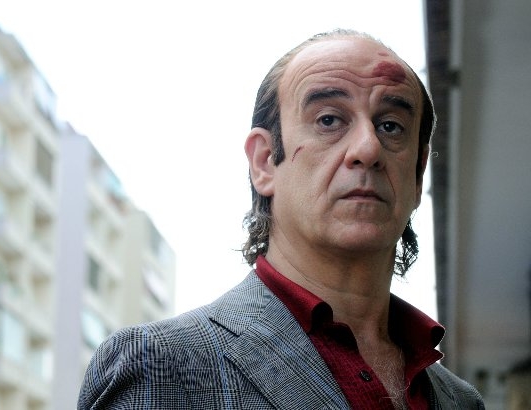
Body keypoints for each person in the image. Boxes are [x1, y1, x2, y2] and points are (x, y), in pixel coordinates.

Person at [78, 29, 484, 409]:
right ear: (264, 162)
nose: (367, 148)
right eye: (329, 120)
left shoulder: (461, 401)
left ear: (417, 175)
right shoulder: (160, 366)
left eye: (391, 126)